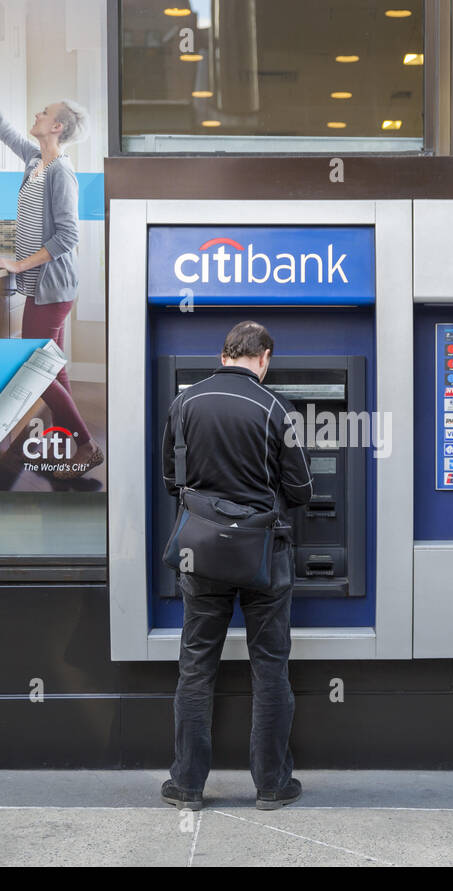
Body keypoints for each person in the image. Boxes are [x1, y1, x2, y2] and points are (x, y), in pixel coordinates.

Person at [159, 321, 313, 811]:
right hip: (263, 555)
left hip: (200, 555)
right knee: (270, 667)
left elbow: (171, 479)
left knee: (196, 667)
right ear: (263, 357)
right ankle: (271, 785)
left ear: (224, 354)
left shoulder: (184, 404)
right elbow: (302, 490)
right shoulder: (275, 409)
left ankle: (187, 785)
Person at [0, 54, 103, 479]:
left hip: (52, 288)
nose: (36, 114)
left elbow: (67, 236)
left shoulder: (61, 173)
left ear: (57, 127)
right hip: (43, 285)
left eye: (44, 113)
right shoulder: (35, 159)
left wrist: (17, 264)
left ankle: (85, 444)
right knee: (52, 366)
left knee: (33, 366)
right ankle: (69, 442)